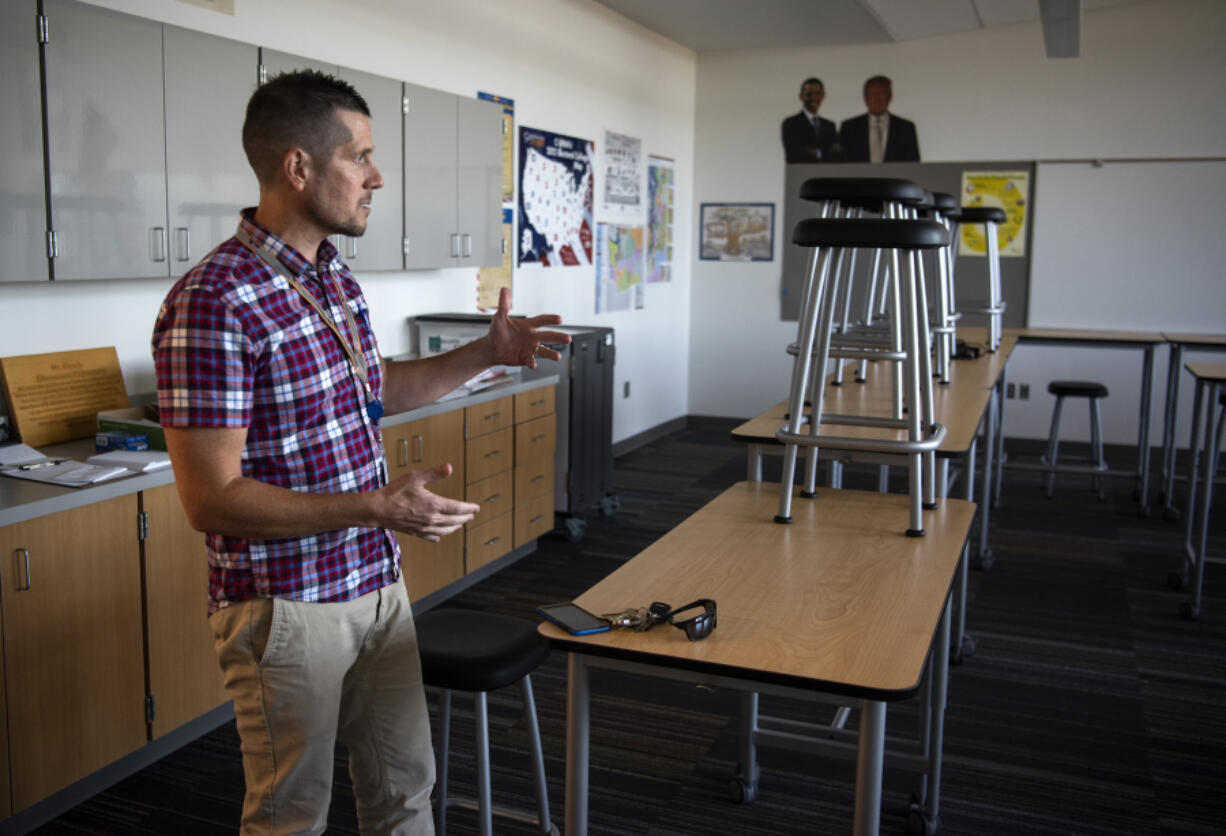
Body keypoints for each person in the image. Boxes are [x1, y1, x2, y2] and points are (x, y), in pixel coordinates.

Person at [151, 69, 570, 835]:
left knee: (407, 792)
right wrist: (375, 506)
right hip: (288, 606)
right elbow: (210, 499)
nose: (377, 177)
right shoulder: (214, 300)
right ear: (299, 167)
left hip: (375, 585)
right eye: (361, 156)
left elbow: (376, 390)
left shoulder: (331, 278)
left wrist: (485, 353)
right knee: (291, 814)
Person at [839, 75, 921, 163]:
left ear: (889, 96)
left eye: (881, 94)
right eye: (872, 94)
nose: (877, 99)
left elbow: (914, 164)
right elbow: (841, 163)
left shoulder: (905, 128)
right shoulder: (849, 128)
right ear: (865, 98)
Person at [781, 77, 843, 164]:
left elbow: (837, 155)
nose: (813, 98)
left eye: (817, 93)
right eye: (809, 94)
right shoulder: (791, 124)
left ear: (823, 96)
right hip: (801, 175)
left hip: (826, 175)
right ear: (801, 96)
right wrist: (824, 153)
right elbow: (794, 154)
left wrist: (814, 152)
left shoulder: (829, 125)